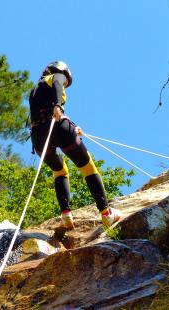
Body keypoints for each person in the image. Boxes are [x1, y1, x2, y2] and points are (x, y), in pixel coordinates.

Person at [29, 60, 122, 229]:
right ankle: (106, 213)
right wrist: (58, 105)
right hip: (58, 127)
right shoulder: (55, 76)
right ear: (61, 71)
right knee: (88, 167)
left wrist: (73, 125)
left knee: (60, 171)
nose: (64, 83)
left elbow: (43, 113)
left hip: (39, 138)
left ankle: (66, 214)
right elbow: (57, 84)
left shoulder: (34, 90)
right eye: (65, 80)